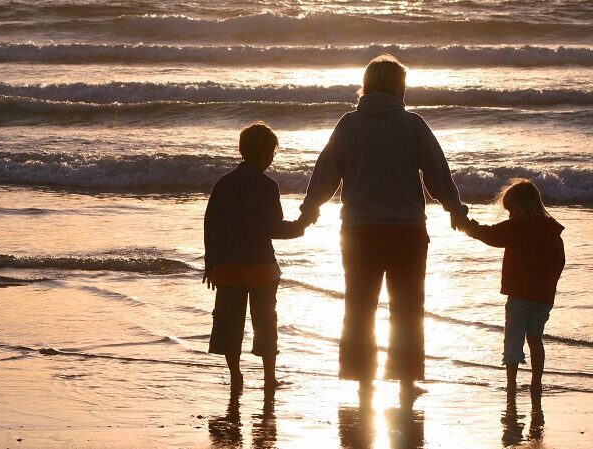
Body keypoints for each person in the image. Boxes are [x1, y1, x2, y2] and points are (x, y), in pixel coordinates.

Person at [298, 54, 468, 396]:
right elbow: (437, 173)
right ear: (399, 88)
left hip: (359, 231)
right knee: (407, 307)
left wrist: (310, 208)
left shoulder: (349, 124)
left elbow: (326, 171)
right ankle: (406, 380)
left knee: (359, 305)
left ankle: (362, 379)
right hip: (406, 231)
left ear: (368, 85)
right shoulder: (413, 125)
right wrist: (455, 209)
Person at [203, 122, 308, 390]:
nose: (272, 158)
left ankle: (236, 375)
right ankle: (269, 377)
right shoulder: (267, 186)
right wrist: (302, 225)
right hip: (259, 264)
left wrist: (210, 263)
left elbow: (210, 224)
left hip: (226, 265)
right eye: (272, 153)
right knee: (265, 322)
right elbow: (274, 228)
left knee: (229, 322)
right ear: (264, 154)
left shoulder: (223, 183)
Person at [459, 179, 565, 395]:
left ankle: (511, 383)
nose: (509, 215)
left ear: (520, 207)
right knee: (535, 338)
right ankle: (537, 381)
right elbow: (559, 261)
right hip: (544, 296)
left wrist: (465, 225)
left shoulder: (518, 226)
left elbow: (489, 234)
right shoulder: (551, 228)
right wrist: (550, 283)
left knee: (514, 338)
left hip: (519, 294)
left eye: (511, 210)